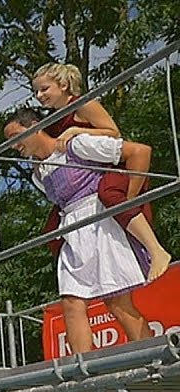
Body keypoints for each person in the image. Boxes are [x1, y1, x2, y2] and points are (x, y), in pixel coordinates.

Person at [3, 108, 154, 355]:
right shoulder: (38, 174)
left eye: (15, 136)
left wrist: (128, 203)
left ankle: (154, 359)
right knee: (71, 303)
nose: (13, 145)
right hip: (72, 231)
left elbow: (139, 152)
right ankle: (84, 368)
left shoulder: (76, 145)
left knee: (118, 302)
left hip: (100, 222)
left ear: (35, 126)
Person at [31, 63, 171, 282]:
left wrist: (76, 130)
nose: (39, 96)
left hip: (111, 166)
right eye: (36, 92)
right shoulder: (52, 121)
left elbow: (114, 133)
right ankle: (78, 272)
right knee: (52, 227)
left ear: (64, 85)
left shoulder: (83, 105)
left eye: (44, 89)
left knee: (110, 194)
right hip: (84, 180)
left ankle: (156, 250)